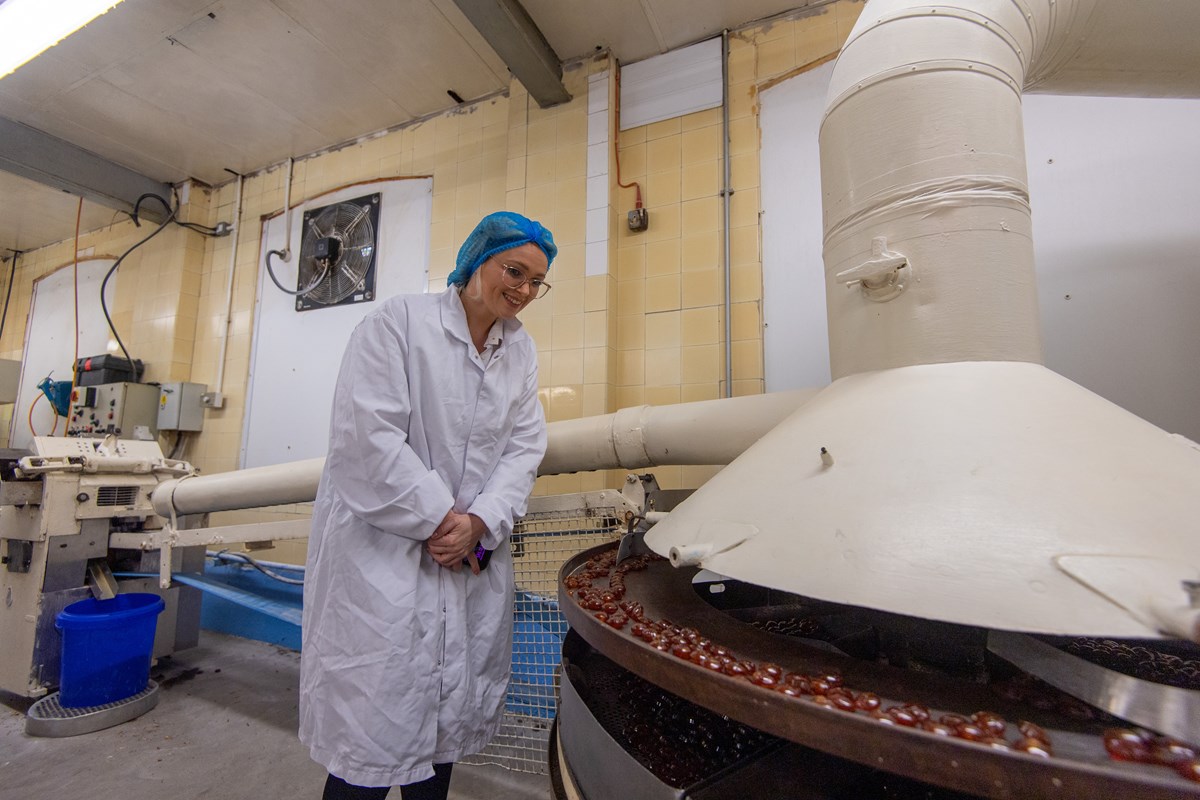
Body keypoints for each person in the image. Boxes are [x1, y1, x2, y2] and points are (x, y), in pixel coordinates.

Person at [299, 211, 556, 800]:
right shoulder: (399, 323)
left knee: (443, 730)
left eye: (536, 281)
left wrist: (481, 522)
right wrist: (448, 522)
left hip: (462, 561)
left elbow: (524, 448)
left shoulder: (519, 352)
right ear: (477, 261)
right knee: (369, 736)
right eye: (513, 271)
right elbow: (369, 439)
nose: (523, 290)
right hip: (384, 559)